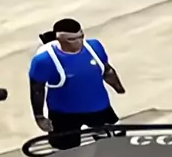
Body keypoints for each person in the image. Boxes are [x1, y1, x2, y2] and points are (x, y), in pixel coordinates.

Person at [29, 18, 125, 150]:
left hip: (99, 107)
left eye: (81, 37)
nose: (79, 42)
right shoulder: (44, 61)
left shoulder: (94, 47)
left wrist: (117, 86)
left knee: (115, 142)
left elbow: (107, 70)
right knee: (66, 149)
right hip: (63, 114)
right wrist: (39, 116)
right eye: (72, 39)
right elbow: (37, 90)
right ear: (59, 39)